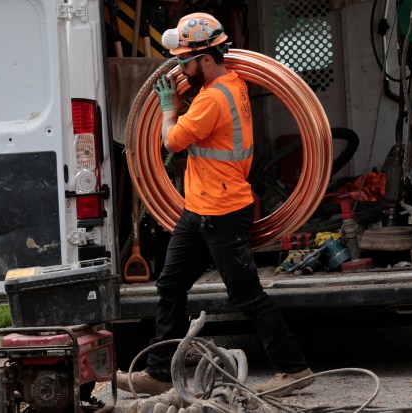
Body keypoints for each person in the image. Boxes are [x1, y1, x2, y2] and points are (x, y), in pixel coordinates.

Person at [116, 12, 314, 397]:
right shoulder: (232, 83)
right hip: (199, 209)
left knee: (246, 295)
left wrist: (169, 108)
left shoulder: (209, 101)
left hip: (222, 212)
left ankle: (294, 369)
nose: (179, 67)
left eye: (184, 61)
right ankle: (158, 372)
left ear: (206, 58)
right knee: (170, 283)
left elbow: (172, 141)